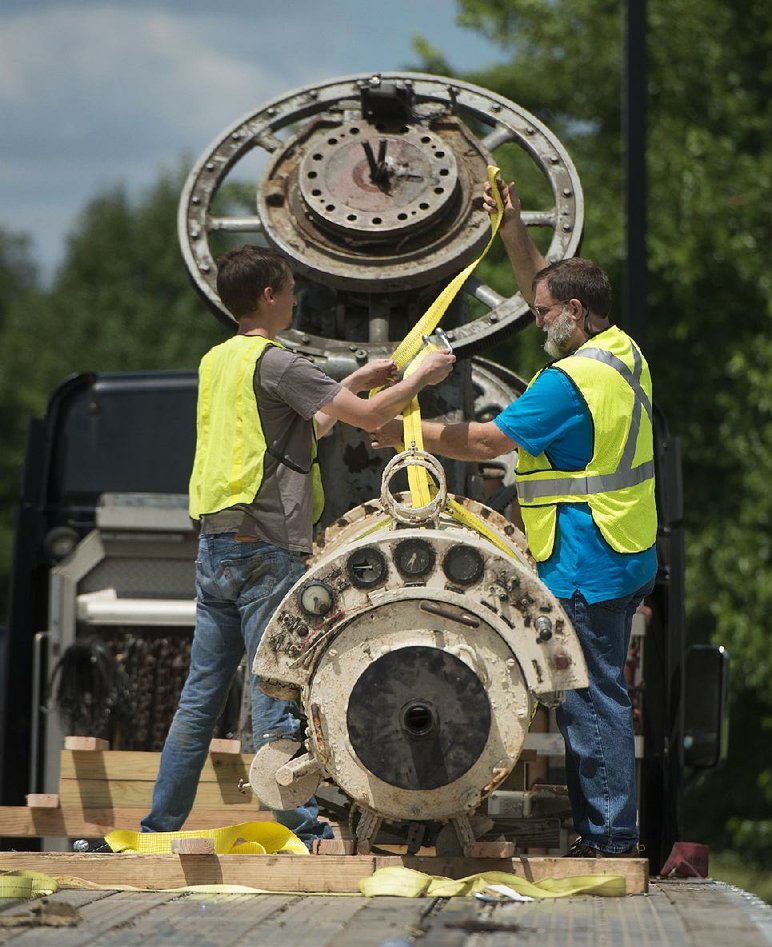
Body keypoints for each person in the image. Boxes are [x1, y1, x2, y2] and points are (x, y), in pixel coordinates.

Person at [373, 178, 657, 858]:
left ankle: (612, 839)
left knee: (593, 699)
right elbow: (546, 286)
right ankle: (609, 832)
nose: (535, 323)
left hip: (587, 555)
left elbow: (486, 442)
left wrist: (404, 438)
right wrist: (511, 230)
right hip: (622, 547)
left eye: (542, 315)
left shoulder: (568, 384)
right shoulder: (619, 351)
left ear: (575, 312)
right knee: (598, 694)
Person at [140, 244, 455, 846]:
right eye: (288, 290)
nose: (294, 299)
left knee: (200, 697)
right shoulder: (280, 362)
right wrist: (419, 378)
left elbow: (300, 426)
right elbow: (368, 420)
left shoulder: (219, 361)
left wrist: (353, 383)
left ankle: (159, 826)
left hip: (217, 544)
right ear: (268, 296)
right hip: (267, 548)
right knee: (275, 690)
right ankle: (303, 828)